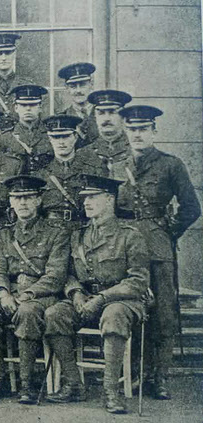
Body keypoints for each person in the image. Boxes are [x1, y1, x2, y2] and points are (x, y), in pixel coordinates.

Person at [110, 105, 201, 400]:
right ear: (125, 131)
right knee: (130, 308)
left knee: (163, 314)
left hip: (158, 251)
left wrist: (166, 232)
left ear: (153, 131)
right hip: (125, 250)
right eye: (132, 129)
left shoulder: (171, 165)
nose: (137, 134)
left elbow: (191, 208)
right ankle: (134, 373)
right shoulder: (115, 167)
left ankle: (159, 377)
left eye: (143, 129)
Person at [43, 174, 150, 414]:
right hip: (86, 300)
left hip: (122, 301)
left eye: (93, 197)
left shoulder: (130, 235)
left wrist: (102, 298)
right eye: (84, 198)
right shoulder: (78, 235)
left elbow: (138, 281)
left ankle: (111, 391)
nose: (87, 202)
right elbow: (68, 274)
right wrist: (77, 294)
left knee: (113, 316)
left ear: (110, 199)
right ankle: (73, 383)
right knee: (54, 314)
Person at [0, 176, 69, 403]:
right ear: (10, 202)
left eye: (28, 198)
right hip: (10, 292)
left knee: (26, 312)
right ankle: (0, 378)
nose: (23, 203)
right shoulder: (4, 234)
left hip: (41, 295)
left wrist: (26, 294)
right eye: (17, 198)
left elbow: (55, 276)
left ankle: (27, 383)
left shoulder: (56, 232)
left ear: (38, 201)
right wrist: (3, 293)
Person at [34, 114, 105, 229]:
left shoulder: (92, 169)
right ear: (50, 139)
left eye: (66, 136)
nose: (61, 142)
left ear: (75, 137)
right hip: (51, 231)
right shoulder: (41, 173)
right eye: (56, 137)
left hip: (82, 228)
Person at [0, 84, 51, 172]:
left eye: (33, 105)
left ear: (40, 107)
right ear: (16, 108)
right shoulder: (6, 137)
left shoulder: (51, 135)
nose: (28, 109)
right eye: (23, 105)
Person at [81, 90, 133, 167]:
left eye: (112, 112)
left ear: (123, 117)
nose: (106, 118)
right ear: (95, 117)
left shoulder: (135, 151)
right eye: (101, 113)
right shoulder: (83, 154)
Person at [56, 62, 99, 145]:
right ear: (67, 88)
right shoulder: (62, 119)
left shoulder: (103, 114)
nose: (78, 91)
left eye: (82, 85)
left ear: (91, 84)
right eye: (73, 87)